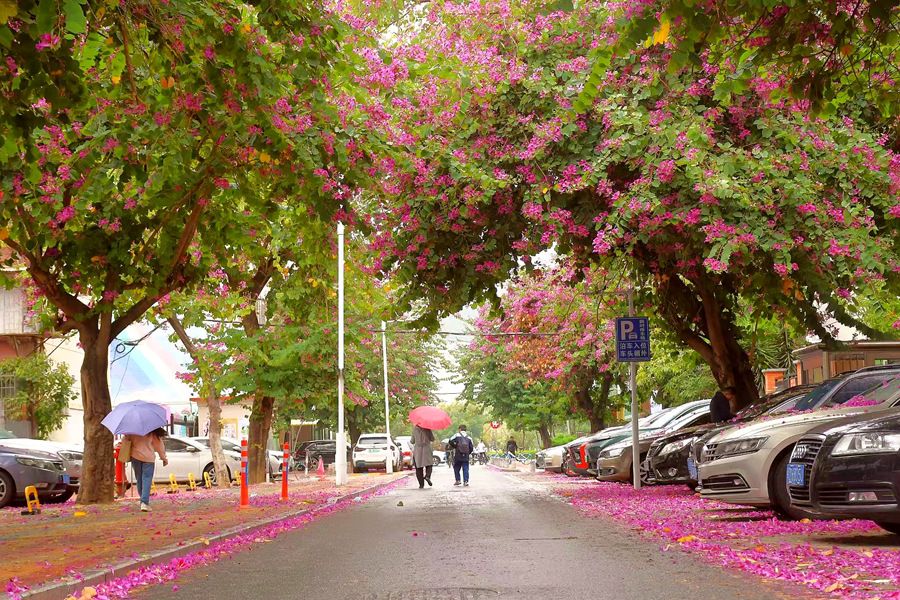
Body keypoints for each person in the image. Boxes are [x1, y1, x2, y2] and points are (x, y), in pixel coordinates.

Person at [127, 427, 168, 512]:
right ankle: (144, 502)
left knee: (139, 479)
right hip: (148, 458)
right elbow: (159, 446)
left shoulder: (131, 430)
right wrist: (163, 458)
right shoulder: (151, 430)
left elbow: (125, 441)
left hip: (135, 457)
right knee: (147, 479)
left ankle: (143, 500)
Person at [411, 424, 435, 489]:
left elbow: (412, 441)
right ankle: (427, 476)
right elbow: (432, 439)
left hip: (418, 450)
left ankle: (421, 485)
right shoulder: (427, 428)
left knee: (418, 468)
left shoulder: (415, 429)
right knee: (429, 465)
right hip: (427, 448)